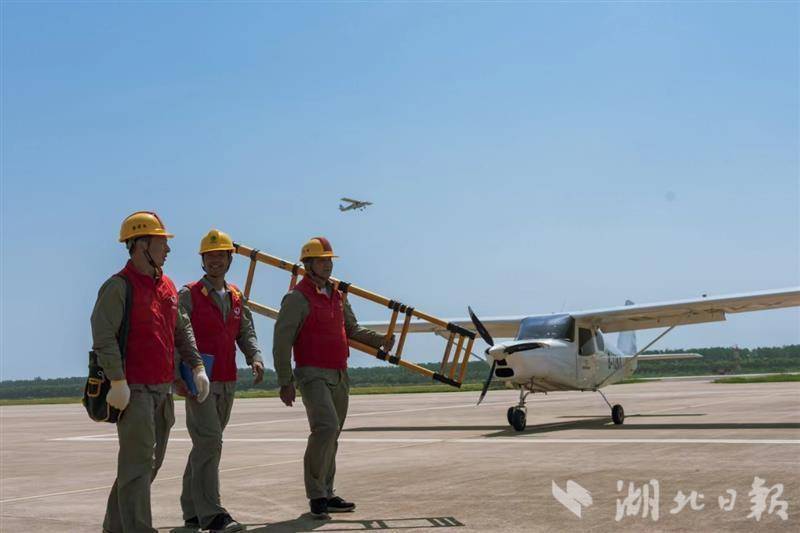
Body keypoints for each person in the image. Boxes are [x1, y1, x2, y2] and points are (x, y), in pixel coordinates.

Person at [92, 211, 210, 533]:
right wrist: (117, 380)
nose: (168, 249)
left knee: (147, 464)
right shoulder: (118, 286)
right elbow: (103, 335)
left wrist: (197, 366)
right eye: (162, 243)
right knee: (138, 464)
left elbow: (182, 330)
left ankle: (115, 528)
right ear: (141, 244)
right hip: (134, 390)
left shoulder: (167, 286)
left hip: (162, 389)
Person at [273, 237, 394, 519]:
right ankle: (316, 495)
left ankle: (327, 492)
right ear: (308, 264)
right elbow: (282, 341)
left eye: (329, 260)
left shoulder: (338, 295)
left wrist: (380, 340)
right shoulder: (296, 298)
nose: (327, 265)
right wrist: (285, 380)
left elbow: (352, 329)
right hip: (311, 373)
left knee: (333, 433)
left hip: (339, 373)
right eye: (321, 261)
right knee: (325, 428)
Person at [177, 229, 264, 532]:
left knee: (206, 446)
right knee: (210, 442)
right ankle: (213, 514)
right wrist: (179, 374)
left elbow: (245, 331)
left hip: (227, 380)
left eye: (220, 256)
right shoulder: (188, 294)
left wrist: (254, 356)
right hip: (199, 380)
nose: (215, 261)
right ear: (202, 260)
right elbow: (177, 334)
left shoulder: (237, 296)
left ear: (229, 259)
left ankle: (192, 509)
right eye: (209, 256)